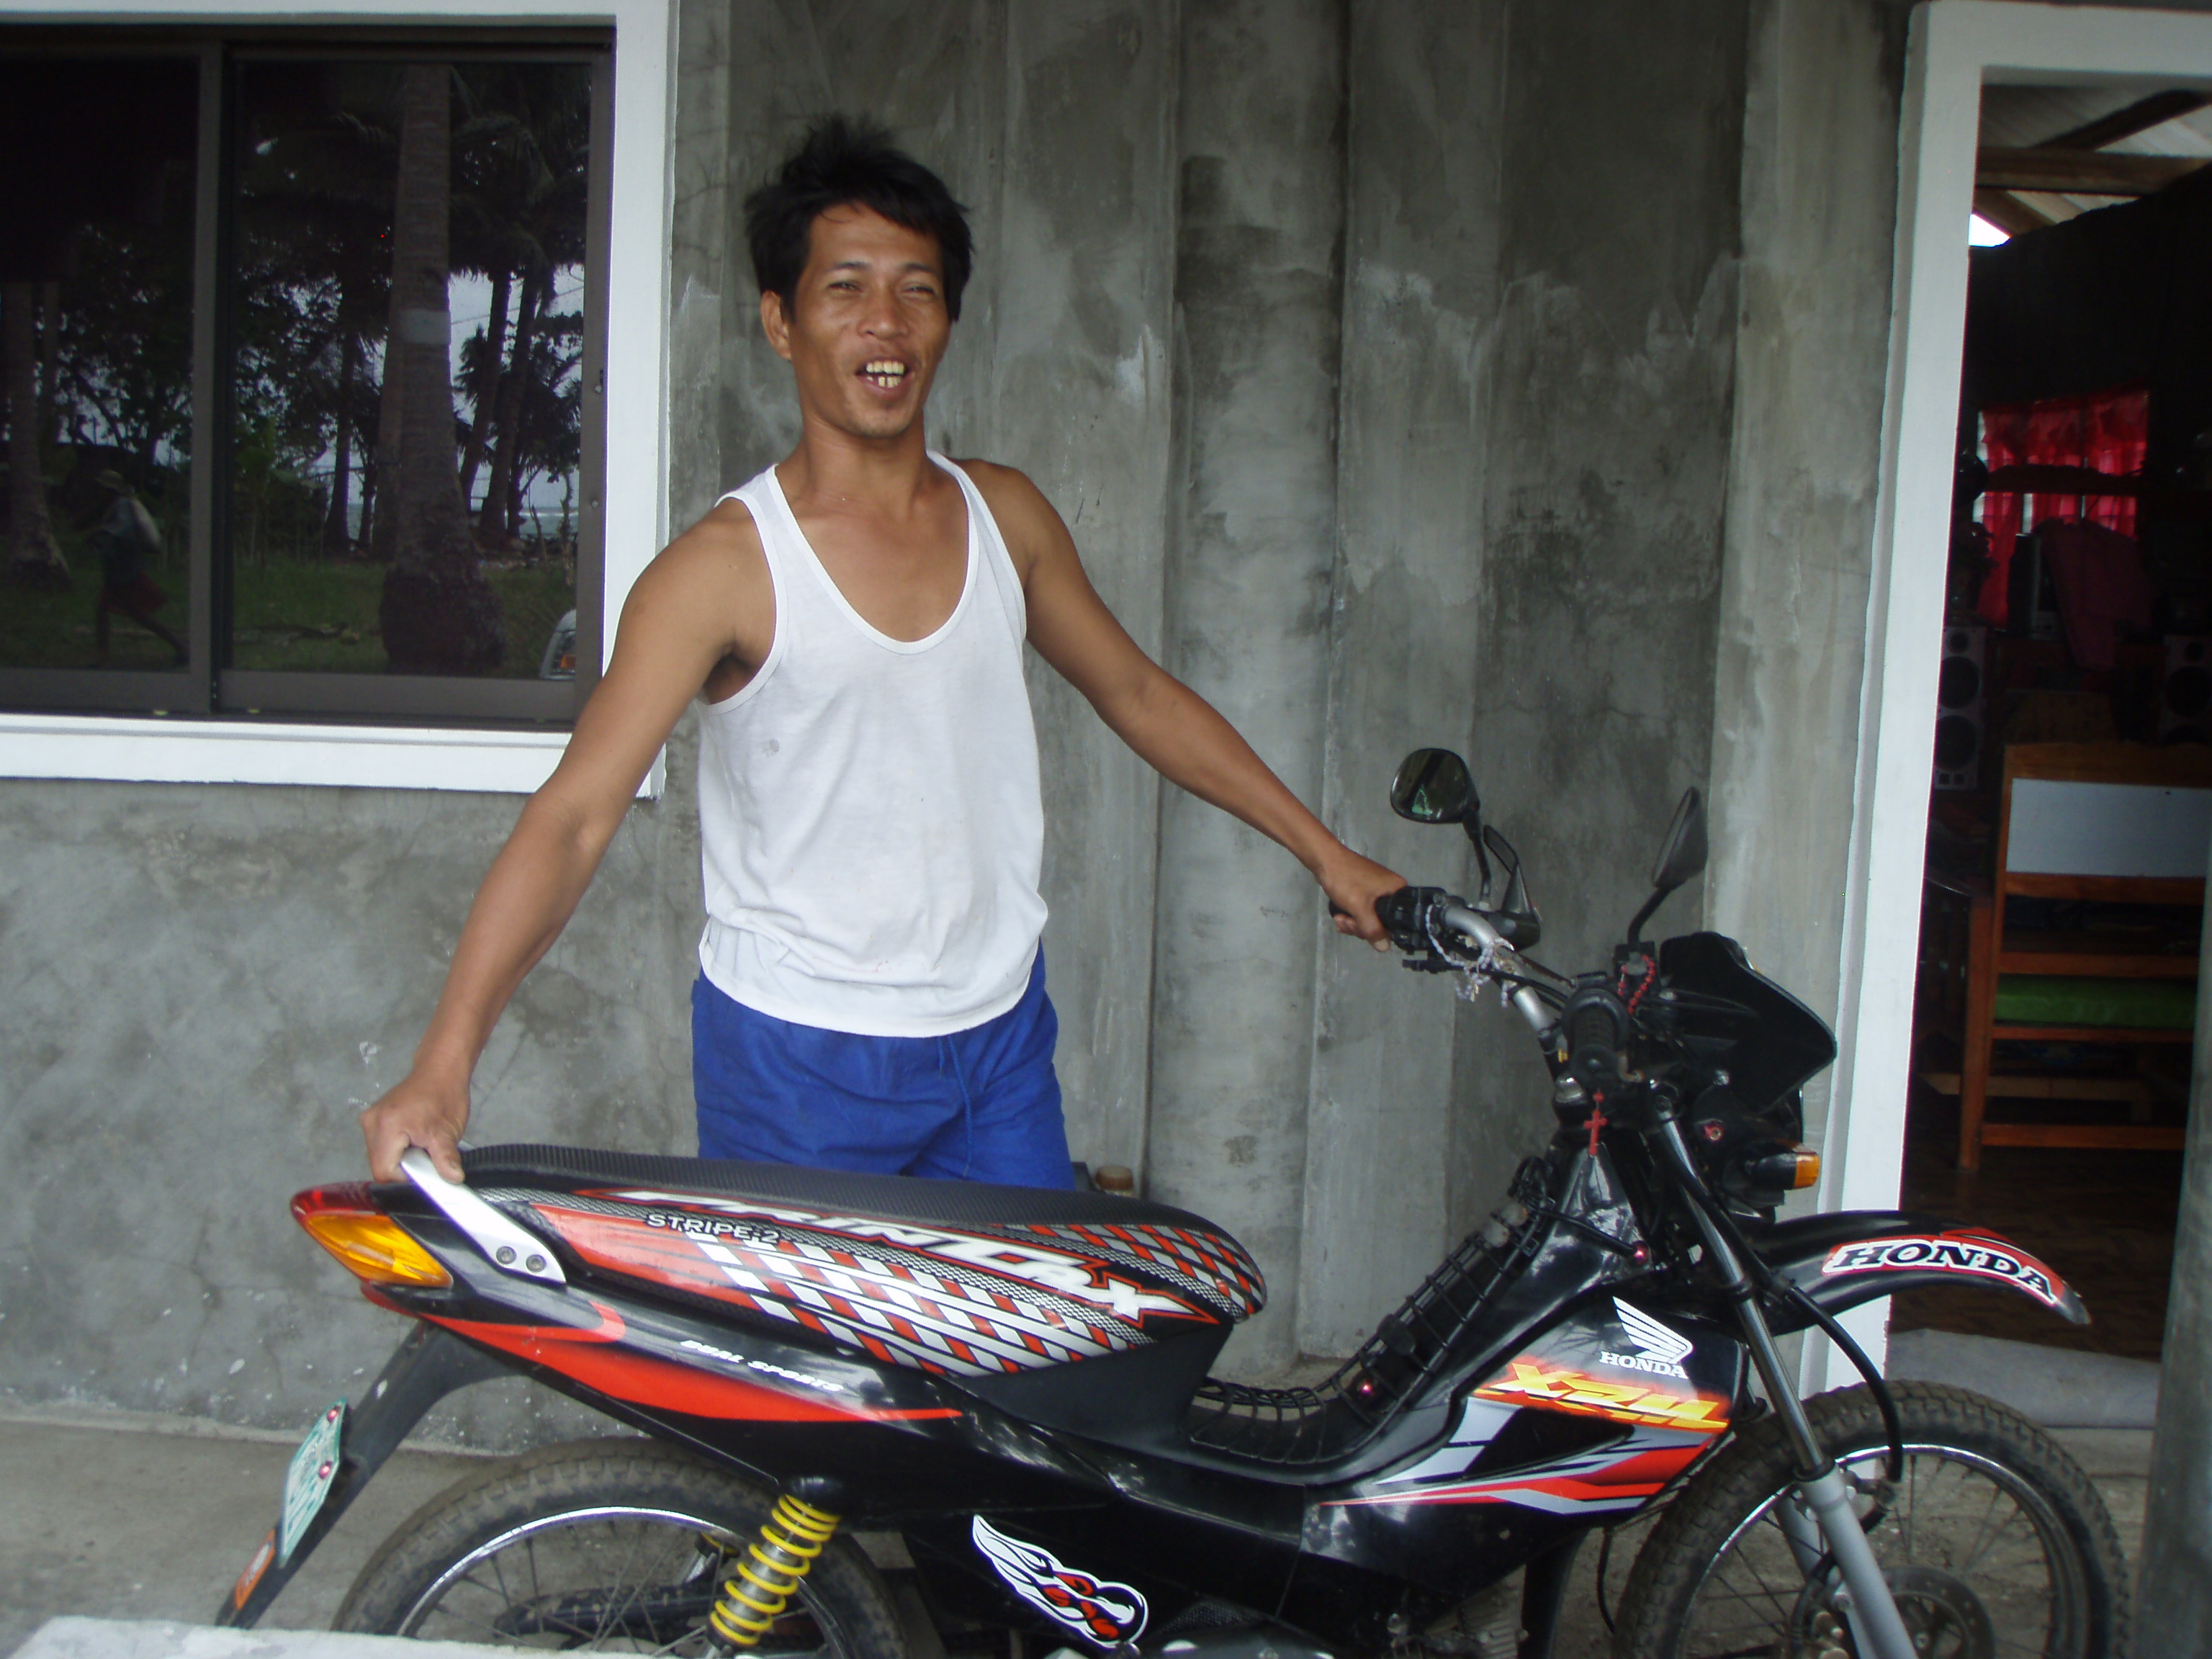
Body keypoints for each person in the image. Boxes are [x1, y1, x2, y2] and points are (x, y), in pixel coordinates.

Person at [360, 117, 1405, 1189]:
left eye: (918, 288)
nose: (885, 323)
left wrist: (1329, 856)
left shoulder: (1008, 517)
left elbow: (1137, 693)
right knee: (810, 1363)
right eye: (845, 287)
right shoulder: (723, 569)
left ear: (950, 317)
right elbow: (575, 819)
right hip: (795, 1062)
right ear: (781, 320)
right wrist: (445, 1064)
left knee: (1022, 1351)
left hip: (997, 1040)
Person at [90, 470, 185, 666]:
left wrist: (99, 533)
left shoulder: (121, 506)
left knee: (136, 615)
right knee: (121, 613)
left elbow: (121, 530)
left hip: (124, 572)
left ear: (109, 490)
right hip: (122, 571)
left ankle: (182, 647)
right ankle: (102, 656)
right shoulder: (118, 505)